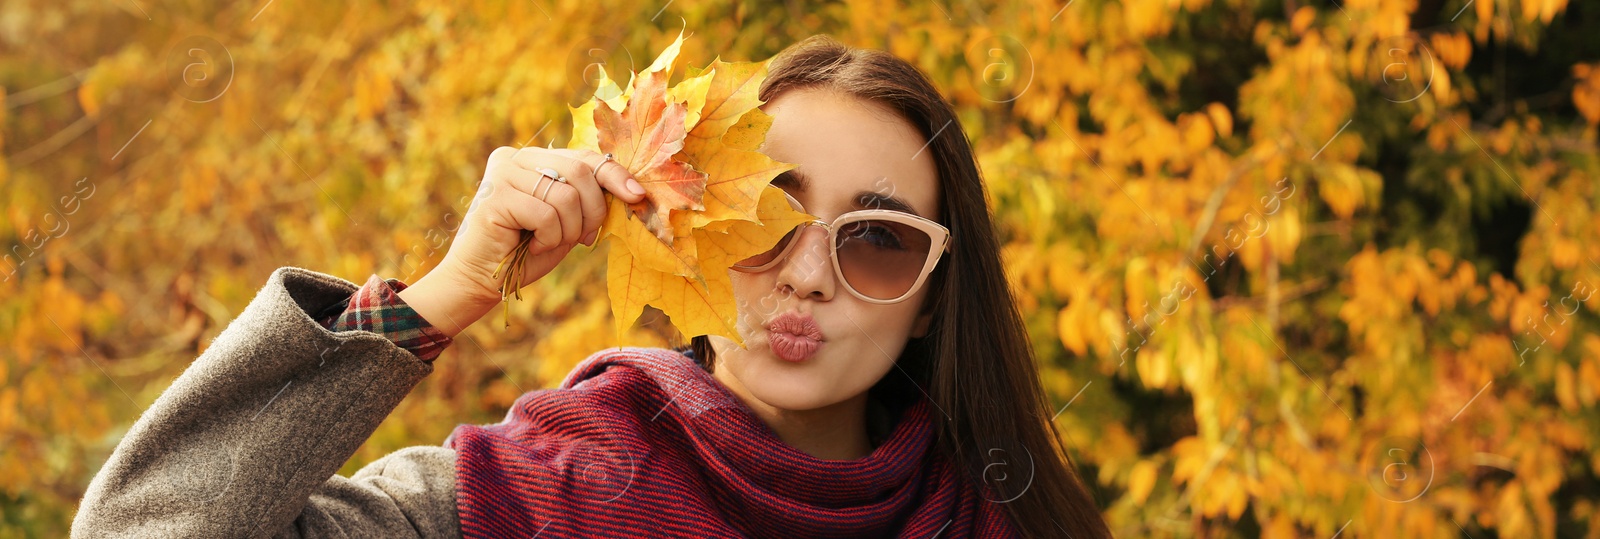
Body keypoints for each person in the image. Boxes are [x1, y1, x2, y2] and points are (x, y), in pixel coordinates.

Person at [72, 36, 1111, 538]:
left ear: (933, 290)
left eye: (878, 240)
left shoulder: (1011, 517)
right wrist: (440, 296)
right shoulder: (534, 496)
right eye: (766, 215)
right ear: (681, 230)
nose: (806, 270)